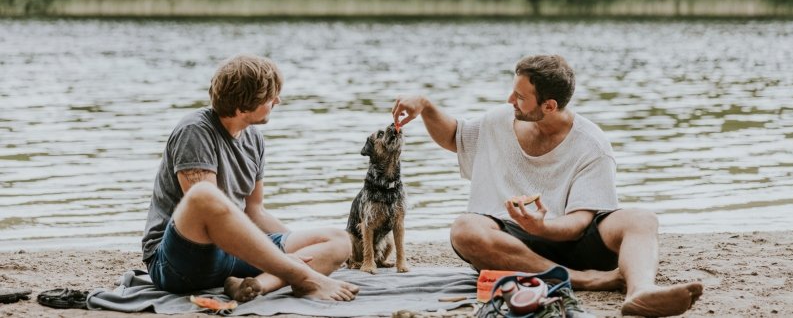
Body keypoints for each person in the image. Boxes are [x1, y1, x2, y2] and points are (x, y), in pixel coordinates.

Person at [392, 54, 703, 317]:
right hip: (513, 244)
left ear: (550, 106)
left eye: (520, 97)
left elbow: (580, 222)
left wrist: (542, 226)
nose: (509, 100)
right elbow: (454, 137)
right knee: (465, 229)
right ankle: (585, 281)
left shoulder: (592, 145)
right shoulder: (499, 121)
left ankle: (641, 290)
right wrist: (427, 107)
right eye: (513, 91)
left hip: (574, 239)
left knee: (641, 218)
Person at [142, 54, 359, 302]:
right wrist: (290, 263)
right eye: (271, 96)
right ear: (243, 105)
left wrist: (302, 252)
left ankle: (256, 285)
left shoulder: (253, 137)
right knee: (204, 195)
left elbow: (255, 211)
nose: (278, 100)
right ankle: (301, 277)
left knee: (338, 240)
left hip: (232, 256)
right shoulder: (194, 131)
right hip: (177, 262)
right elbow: (206, 211)